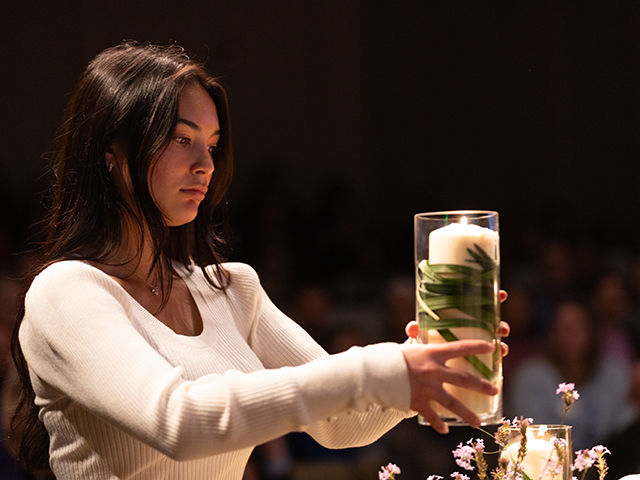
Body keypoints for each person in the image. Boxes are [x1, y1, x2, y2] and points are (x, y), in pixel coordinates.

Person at [9, 42, 507, 480]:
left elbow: (342, 423)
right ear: (111, 152)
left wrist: (424, 361)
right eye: (182, 139)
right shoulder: (66, 292)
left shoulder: (231, 289)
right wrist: (383, 370)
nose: (204, 164)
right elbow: (178, 421)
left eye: (212, 144)